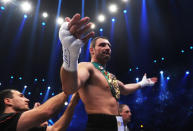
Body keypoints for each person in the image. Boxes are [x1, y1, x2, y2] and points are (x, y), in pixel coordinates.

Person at [59, 13, 158, 131]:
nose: (107, 48)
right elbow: (69, 88)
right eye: (102, 45)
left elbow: (125, 89)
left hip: (119, 122)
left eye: (109, 46)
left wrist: (142, 83)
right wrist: (70, 55)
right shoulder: (86, 67)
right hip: (100, 123)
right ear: (92, 50)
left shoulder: (109, 76)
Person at [0, 89, 80, 131]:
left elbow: (56, 129)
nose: (27, 99)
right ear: (8, 101)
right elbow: (47, 111)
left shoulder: (24, 126)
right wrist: (68, 90)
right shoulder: (3, 121)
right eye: (21, 96)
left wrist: (72, 104)